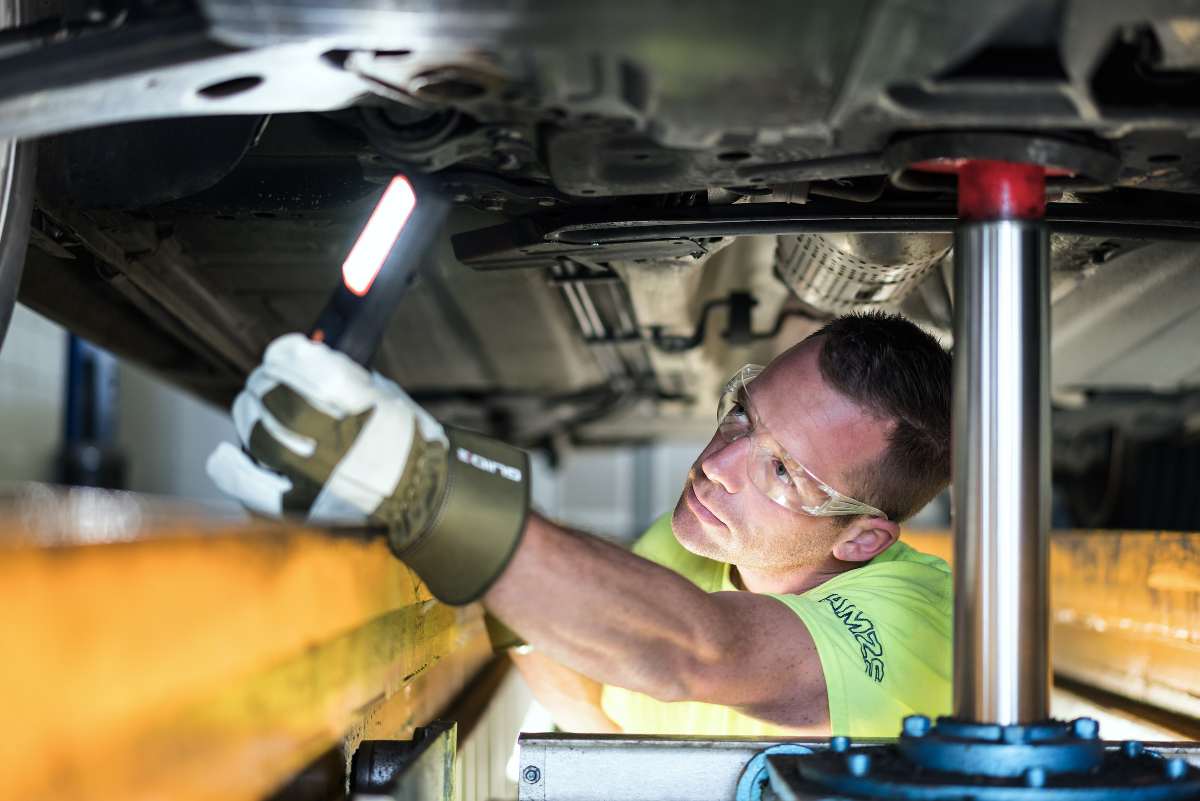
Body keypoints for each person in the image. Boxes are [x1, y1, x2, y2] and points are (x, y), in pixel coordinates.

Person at [207, 311, 953, 737]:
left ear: (860, 538)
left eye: (783, 471)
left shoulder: (924, 628)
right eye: (741, 415)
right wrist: (420, 533)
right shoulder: (701, 543)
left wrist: (429, 491)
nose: (719, 464)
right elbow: (595, 706)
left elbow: (698, 649)